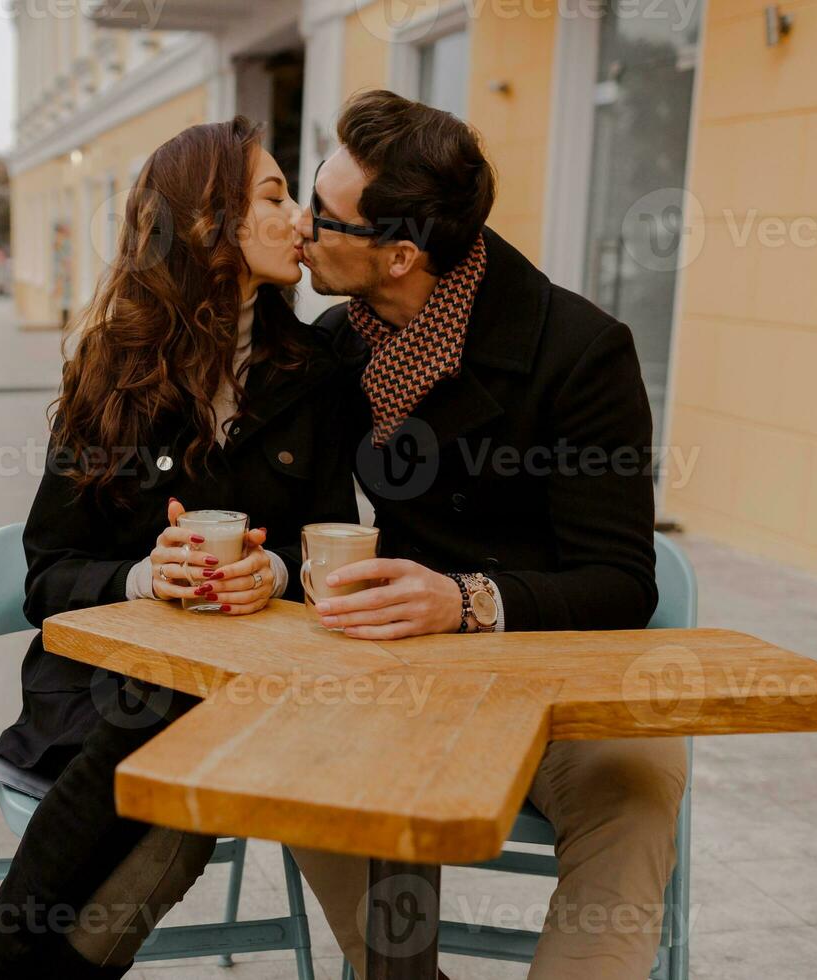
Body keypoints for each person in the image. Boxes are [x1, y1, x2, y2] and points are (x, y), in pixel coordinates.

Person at [0, 117, 360, 980]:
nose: (301, 220)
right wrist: (143, 575)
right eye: (276, 197)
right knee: (174, 712)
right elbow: (45, 576)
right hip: (100, 691)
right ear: (209, 223)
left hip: (249, 690)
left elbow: (322, 541)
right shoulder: (115, 368)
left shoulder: (315, 370)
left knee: (192, 728)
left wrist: (270, 568)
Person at [279, 89, 681, 980]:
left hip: (560, 670)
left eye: (322, 216)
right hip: (407, 678)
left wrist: (464, 599)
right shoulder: (338, 344)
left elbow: (622, 581)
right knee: (293, 768)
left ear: (400, 255)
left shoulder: (580, 351)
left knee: (635, 790)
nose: (302, 231)